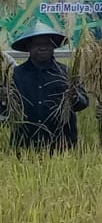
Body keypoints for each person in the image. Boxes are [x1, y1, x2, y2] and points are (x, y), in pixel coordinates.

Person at [0, 22, 88, 152]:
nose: (42, 48)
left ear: (53, 46)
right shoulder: (15, 75)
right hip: (25, 146)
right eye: (37, 44)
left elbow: (83, 103)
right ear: (28, 47)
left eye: (47, 44)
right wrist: (3, 100)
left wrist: (75, 97)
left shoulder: (67, 73)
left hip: (62, 145)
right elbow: (5, 113)